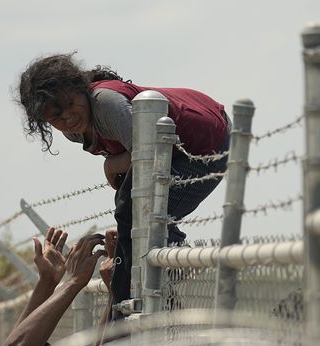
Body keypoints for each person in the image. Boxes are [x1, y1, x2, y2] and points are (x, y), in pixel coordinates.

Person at [17, 53, 230, 314]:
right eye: (55, 118)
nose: (68, 118)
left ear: (78, 88)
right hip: (171, 152)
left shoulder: (106, 104)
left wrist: (113, 164)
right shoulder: (75, 131)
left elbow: (150, 153)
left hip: (207, 144)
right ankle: (149, 292)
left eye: (70, 104)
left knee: (132, 210)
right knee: (131, 212)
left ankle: (161, 274)